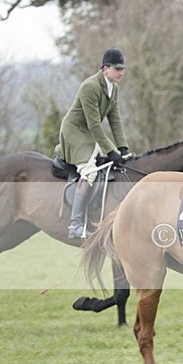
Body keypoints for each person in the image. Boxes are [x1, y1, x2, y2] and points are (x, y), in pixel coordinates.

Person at [54, 48, 130, 239]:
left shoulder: (114, 88)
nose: (121, 73)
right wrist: (110, 150)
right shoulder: (90, 86)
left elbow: (115, 119)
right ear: (105, 68)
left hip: (89, 132)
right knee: (90, 172)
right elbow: (94, 124)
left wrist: (122, 147)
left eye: (123, 69)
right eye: (117, 69)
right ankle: (76, 224)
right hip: (75, 131)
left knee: (114, 163)